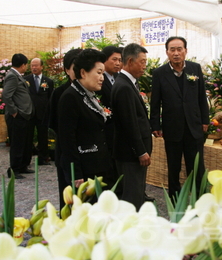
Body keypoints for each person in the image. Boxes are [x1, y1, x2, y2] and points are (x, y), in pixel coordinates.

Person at [150, 36, 209, 200]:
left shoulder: (195, 69)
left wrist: (205, 120)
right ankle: (176, 201)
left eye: (179, 49)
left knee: (197, 167)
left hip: (193, 127)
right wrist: (155, 124)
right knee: (174, 167)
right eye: (172, 50)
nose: (176, 53)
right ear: (167, 52)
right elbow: (155, 101)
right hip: (172, 128)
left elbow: (201, 97)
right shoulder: (159, 73)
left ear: (185, 51)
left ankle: (201, 199)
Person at [57, 48, 112, 193]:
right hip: (84, 169)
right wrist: (75, 173)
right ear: (83, 73)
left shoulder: (89, 95)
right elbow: (67, 139)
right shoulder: (70, 97)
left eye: (103, 73)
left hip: (98, 164)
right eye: (99, 73)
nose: (102, 78)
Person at [111, 43, 152, 210]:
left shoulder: (129, 83)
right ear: (130, 61)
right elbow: (130, 124)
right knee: (132, 195)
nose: (144, 66)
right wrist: (141, 151)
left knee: (136, 191)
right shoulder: (124, 87)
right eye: (142, 62)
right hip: (130, 154)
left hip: (131, 152)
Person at [48, 48, 82, 209]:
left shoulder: (93, 90)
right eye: (74, 67)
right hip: (66, 151)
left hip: (87, 154)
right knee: (68, 197)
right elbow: (54, 123)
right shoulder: (60, 93)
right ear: (67, 69)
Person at [2, 53, 35, 179]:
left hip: (24, 115)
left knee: (25, 142)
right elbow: (6, 96)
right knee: (17, 143)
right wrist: (14, 111)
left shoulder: (16, 75)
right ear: (23, 65)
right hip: (18, 116)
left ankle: (22, 166)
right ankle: (14, 169)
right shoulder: (12, 76)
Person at [96, 46, 122, 197]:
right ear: (104, 60)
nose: (118, 63)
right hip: (106, 130)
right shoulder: (100, 79)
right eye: (114, 59)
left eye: (120, 60)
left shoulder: (119, 78)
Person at [24, 58, 54, 165]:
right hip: (29, 113)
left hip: (43, 114)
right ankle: (26, 160)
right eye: (32, 65)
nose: (34, 68)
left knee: (43, 136)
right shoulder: (25, 80)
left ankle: (43, 158)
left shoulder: (48, 81)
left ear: (42, 67)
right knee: (28, 137)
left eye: (36, 65)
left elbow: (51, 98)